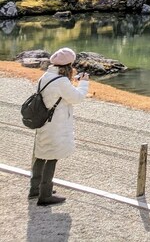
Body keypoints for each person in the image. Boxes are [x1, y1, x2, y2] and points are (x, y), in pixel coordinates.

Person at [29, 47, 89, 206]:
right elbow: (76, 98)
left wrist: (71, 82)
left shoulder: (46, 76)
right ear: (68, 65)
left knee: (41, 154)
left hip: (44, 122)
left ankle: (35, 189)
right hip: (55, 124)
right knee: (52, 157)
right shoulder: (61, 81)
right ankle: (45, 195)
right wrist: (83, 83)